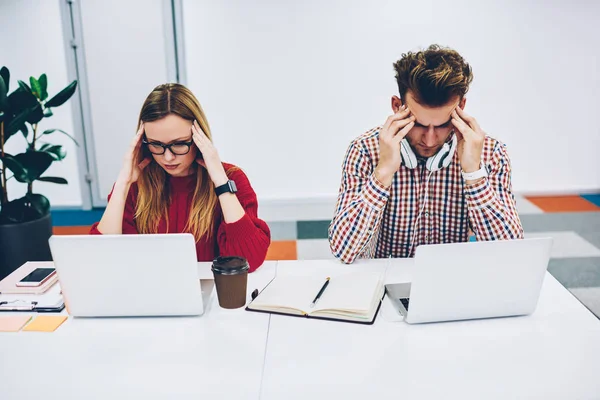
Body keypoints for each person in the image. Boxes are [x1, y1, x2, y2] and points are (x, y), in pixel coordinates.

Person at [329, 44, 523, 264]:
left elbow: (510, 255)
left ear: (461, 107)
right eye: (419, 124)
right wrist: (382, 173)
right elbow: (342, 249)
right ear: (397, 106)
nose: (430, 140)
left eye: (442, 125)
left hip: (454, 283)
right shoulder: (365, 150)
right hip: (385, 286)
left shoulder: (490, 153)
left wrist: (474, 175)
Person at [90, 83, 271, 272]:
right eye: (156, 145)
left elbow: (249, 260)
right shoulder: (135, 184)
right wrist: (122, 185)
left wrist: (220, 181)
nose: (168, 157)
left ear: (198, 136)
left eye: (178, 144)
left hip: (212, 297)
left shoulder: (231, 178)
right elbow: (102, 260)